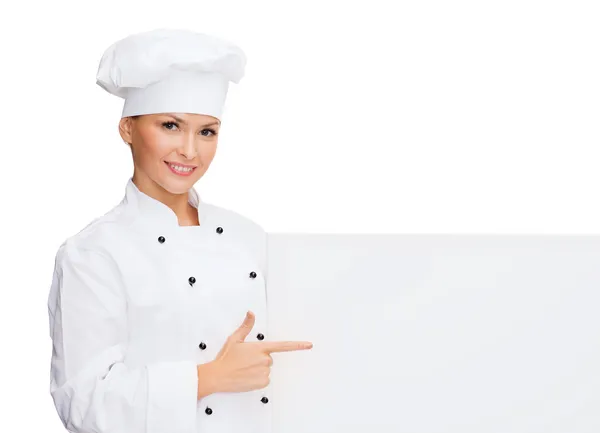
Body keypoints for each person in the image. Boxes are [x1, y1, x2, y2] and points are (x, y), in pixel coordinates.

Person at [47, 28, 313, 433]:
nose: (190, 150)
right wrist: (209, 378)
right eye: (171, 125)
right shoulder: (94, 253)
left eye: (207, 131)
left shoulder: (249, 237)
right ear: (127, 129)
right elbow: (83, 405)